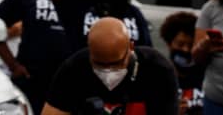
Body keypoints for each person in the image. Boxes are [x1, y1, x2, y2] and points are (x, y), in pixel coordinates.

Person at [41, 17, 178, 115]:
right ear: (90, 52)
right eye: (99, 64)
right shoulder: (74, 69)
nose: (108, 71)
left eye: (116, 64)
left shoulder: (158, 70)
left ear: (130, 48)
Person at [161, 11, 204, 113]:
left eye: (191, 45)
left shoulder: (210, 78)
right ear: (169, 44)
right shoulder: (160, 79)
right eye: (180, 44)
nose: (186, 50)